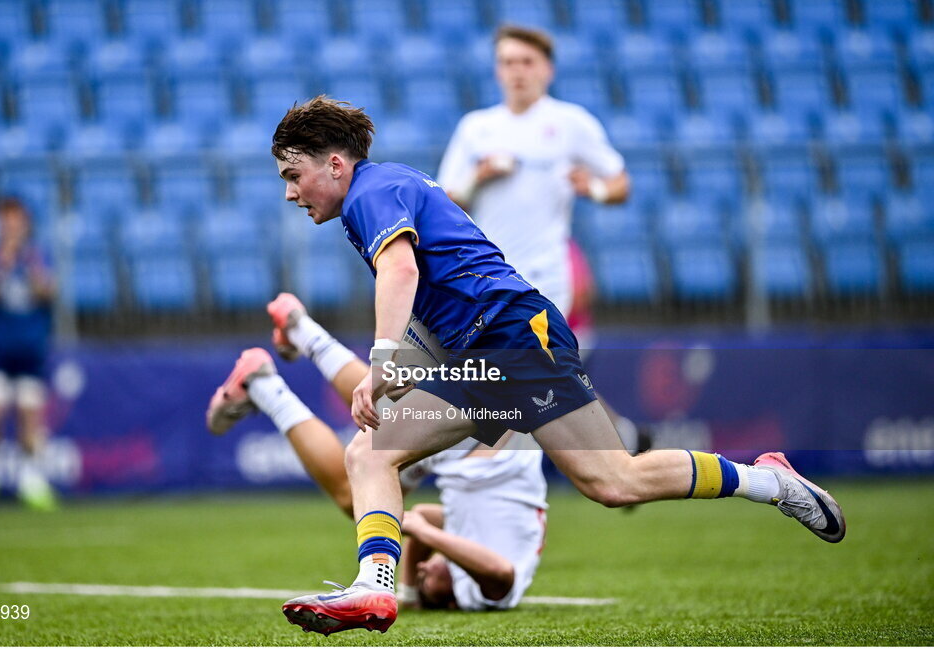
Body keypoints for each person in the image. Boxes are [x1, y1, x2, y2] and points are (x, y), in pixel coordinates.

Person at [211, 96, 844, 636]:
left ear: (336, 164)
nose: (291, 192)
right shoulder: (383, 189)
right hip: (489, 348)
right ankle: (374, 586)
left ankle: (769, 481)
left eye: (293, 175)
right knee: (378, 454)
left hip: (514, 337)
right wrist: (407, 364)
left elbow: (401, 271)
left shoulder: (371, 192)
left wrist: (382, 361)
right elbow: (432, 288)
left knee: (610, 481)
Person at [206, 293, 548, 611]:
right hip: (481, 447)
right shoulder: (484, 593)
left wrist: (412, 587)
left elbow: (429, 516)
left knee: (378, 414)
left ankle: (301, 331)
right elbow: (500, 573)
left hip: (499, 433)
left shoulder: (476, 544)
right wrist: (422, 539)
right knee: (354, 492)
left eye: (422, 575)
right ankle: (265, 387)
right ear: (451, 596)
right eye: (429, 578)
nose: (424, 568)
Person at [438, 25, 645, 450]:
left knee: (519, 372)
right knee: (527, 375)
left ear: (546, 69)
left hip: (545, 274)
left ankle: (483, 467)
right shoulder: (477, 128)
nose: (517, 71)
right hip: (487, 276)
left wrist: (597, 189)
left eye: (526, 62)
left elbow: (621, 182)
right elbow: (446, 199)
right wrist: (480, 176)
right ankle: (622, 439)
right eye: (508, 62)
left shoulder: (570, 123)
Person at [0, 196, 58, 511]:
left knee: (30, 419)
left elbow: (48, 291)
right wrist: (3, 265)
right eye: (7, 221)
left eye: (17, 221)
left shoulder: (39, 256)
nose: (12, 227)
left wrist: (29, 265)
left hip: (30, 349)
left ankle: (31, 481)